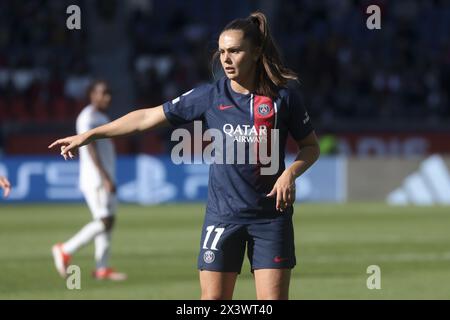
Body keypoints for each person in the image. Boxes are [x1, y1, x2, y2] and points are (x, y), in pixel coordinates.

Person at [49, 12, 319, 299]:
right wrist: (90, 134)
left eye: (235, 51)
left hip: (270, 220)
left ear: (255, 52)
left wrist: (289, 173)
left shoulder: (283, 99)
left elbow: (310, 147)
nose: (226, 59)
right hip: (223, 217)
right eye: (222, 51)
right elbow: (145, 118)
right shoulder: (210, 96)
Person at [51, 80, 126, 281]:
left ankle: (102, 268)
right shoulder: (88, 117)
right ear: (92, 95)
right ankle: (65, 249)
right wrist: (105, 177)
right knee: (104, 221)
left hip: (105, 176)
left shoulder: (101, 116)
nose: (107, 97)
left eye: (109, 93)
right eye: (103, 93)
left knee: (108, 221)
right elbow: (89, 146)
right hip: (96, 179)